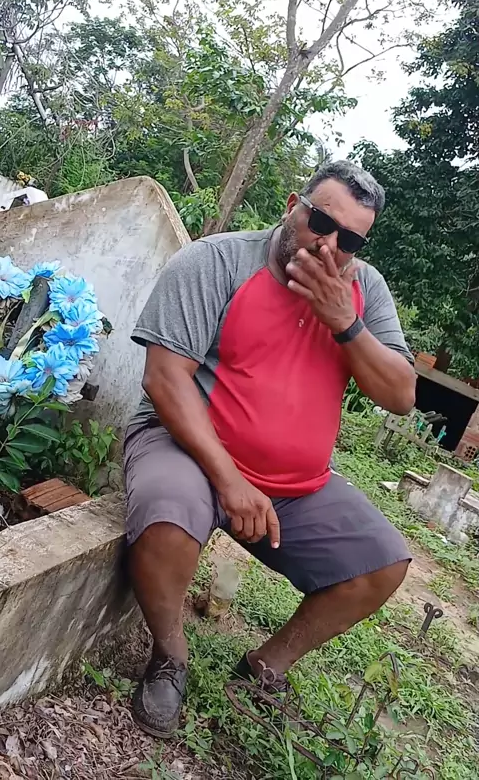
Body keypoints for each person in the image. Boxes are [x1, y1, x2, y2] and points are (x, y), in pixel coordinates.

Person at [124, 160, 416, 738]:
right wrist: (231, 481)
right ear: (292, 207)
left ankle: (265, 667)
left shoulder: (365, 290)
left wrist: (345, 322)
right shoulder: (217, 262)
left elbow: (401, 395)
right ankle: (169, 657)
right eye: (321, 223)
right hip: (189, 448)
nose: (329, 246)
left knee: (381, 563)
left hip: (293, 488)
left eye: (351, 241)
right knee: (166, 515)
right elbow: (164, 379)